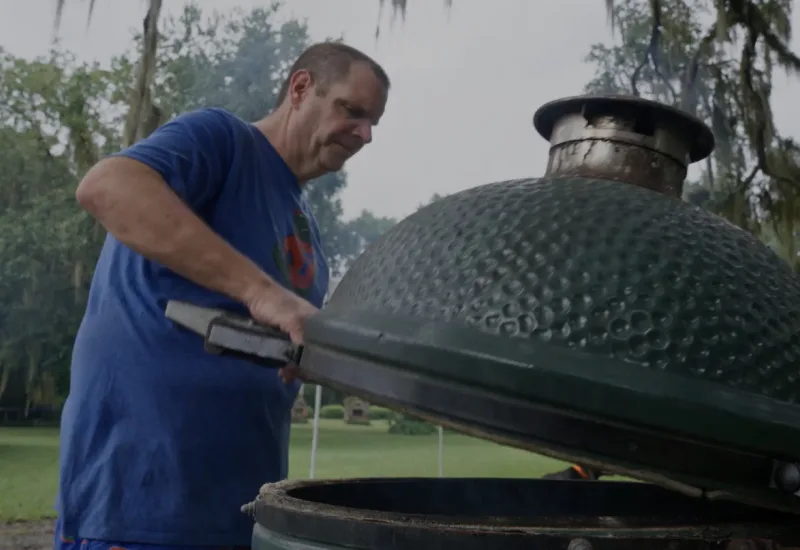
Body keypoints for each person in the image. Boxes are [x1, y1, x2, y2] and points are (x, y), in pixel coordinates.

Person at [54, 42, 390, 550]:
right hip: (142, 505)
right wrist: (262, 294)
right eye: (352, 110)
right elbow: (107, 187)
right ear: (300, 88)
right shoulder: (220, 140)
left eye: (373, 124)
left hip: (241, 510)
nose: (364, 134)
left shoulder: (307, 229)